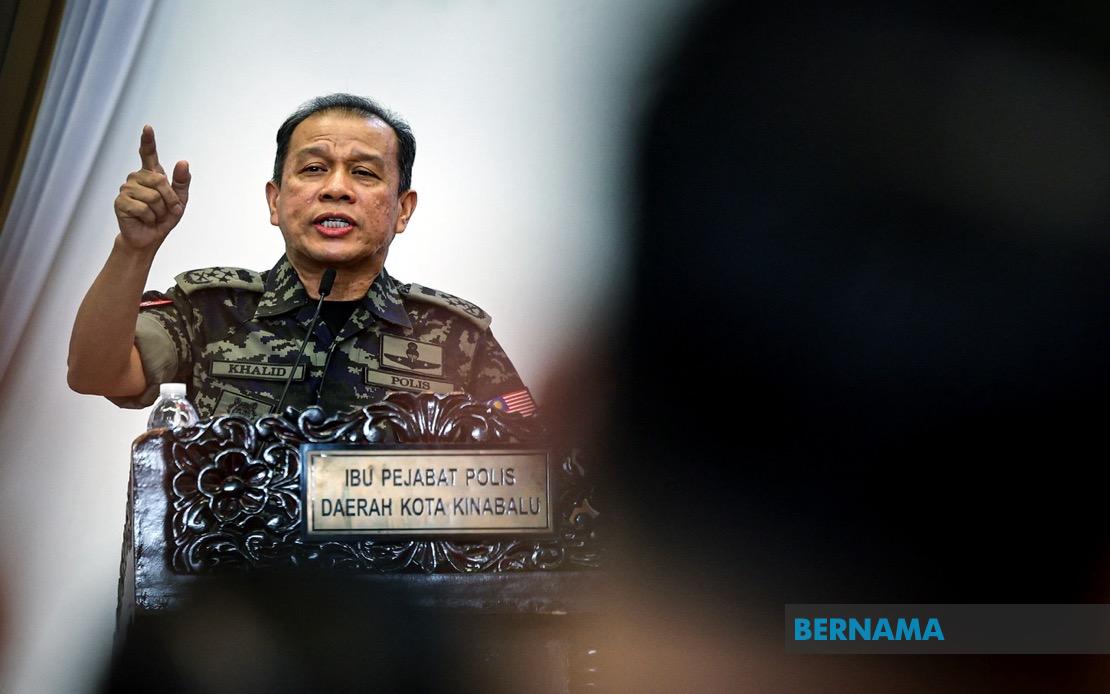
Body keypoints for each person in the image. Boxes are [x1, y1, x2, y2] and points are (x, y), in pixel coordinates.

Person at [67, 93, 534, 419]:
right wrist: (134, 248)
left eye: (364, 173)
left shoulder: (457, 338)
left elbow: (535, 467)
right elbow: (95, 374)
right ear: (275, 201)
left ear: (402, 210)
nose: (336, 188)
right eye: (314, 168)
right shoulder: (211, 310)